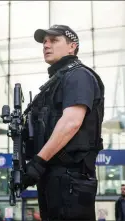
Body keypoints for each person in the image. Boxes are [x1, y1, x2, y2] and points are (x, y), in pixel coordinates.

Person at [20, 25, 105, 220]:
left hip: (71, 179)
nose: (46, 45)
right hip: (55, 178)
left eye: (54, 40)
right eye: (44, 42)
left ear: (72, 47)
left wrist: (38, 162)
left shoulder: (78, 75)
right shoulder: (57, 81)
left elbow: (71, 122)